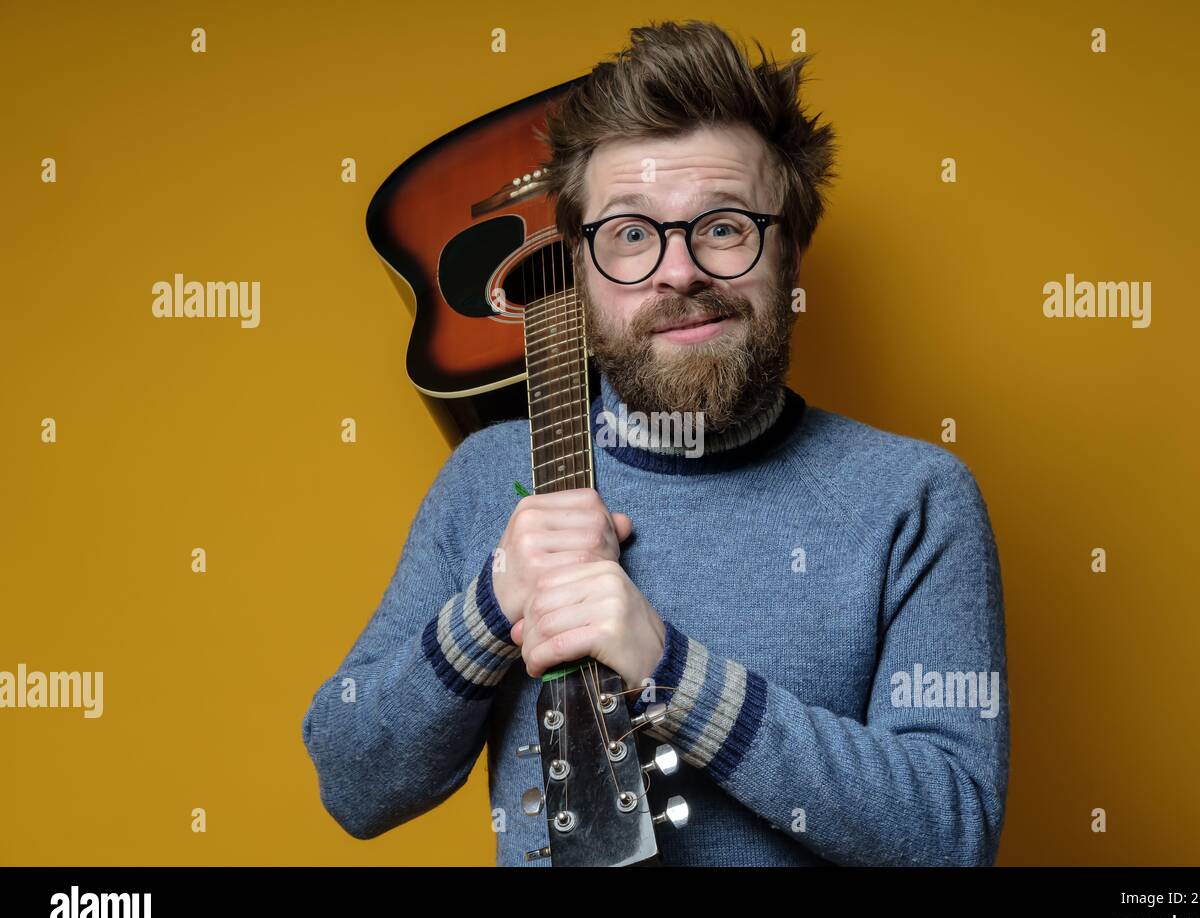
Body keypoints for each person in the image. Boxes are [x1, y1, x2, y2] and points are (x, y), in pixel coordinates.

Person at [302, 19, 1009, 866]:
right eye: (631, 234)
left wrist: (670, 669)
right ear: (579, 270)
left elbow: (952, 835)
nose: (679, 273)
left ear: (790, 251)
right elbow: (352, 784)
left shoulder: (914, 499)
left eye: (723, 225)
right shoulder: (493, 479)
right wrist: (492, 607)